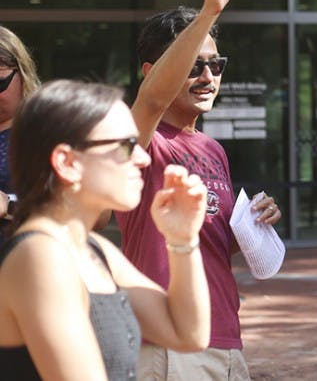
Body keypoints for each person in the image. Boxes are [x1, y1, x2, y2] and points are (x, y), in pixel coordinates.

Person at [117, 0, 282, 380]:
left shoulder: (213, 150)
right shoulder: (139, 141)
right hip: (168, 345)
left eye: (216, 63)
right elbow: (151, 103)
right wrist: (209, 11)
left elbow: (213, 245)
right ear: (154, 71)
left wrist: (255, 224)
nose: (208, 76)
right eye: (193, 64)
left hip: (225, 336)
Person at [0, 80, 210, 379]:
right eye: (126, 146)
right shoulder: (40, 257)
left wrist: (183, 240)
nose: (144, 158)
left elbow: (187, 334)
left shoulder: (93, 250)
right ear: (67, 162)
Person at [0, 25, 41, 227]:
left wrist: (9, 206)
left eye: (0, 83)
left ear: (23, 75)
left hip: (21, 253)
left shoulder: (46, 132)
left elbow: (96, 214)